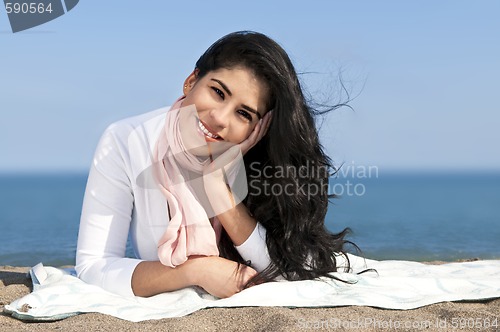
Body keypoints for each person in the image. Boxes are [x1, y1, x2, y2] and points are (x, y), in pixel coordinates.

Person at [76, 31, 352, 299]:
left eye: (244, 113)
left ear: (259, 128)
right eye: (218, 92)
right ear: (191, 81)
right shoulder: (126, 140)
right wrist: (196, 271)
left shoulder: (260, 161)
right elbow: (93, 266)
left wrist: (221, 192)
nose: (220, 118)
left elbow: (296, 272)